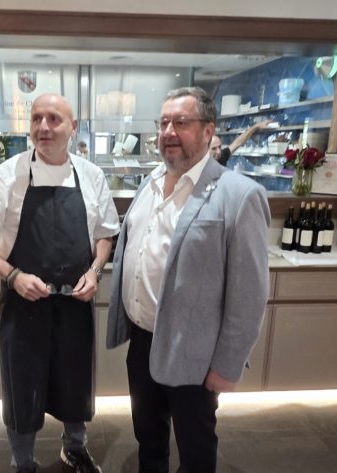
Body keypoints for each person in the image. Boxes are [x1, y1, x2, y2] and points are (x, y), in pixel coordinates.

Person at [106, 87, 270, 473]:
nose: (168, 132)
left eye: (181, 122)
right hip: (143, 341)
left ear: (208, 131)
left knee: (195, 447)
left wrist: (227, 365)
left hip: (195, 351)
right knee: (148, 436)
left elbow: (249, 294)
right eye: (164, 123)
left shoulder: (239, 195)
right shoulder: (149, 184)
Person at [0, 93, 118, 473]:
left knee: (75, 380)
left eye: (53, 119)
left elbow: (106, 235)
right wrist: (13, 276)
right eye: (36, 119)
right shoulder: (7, 175)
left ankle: (75, 448)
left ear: (73, 128)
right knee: (22, 385)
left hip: (76, 305)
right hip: (23, 306)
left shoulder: (91, 176)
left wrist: (95, 271)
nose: (43, 127)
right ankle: (23, 461)